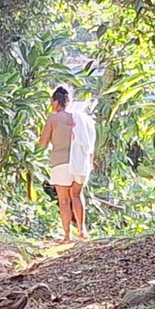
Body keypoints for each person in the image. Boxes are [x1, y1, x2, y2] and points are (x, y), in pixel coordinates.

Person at [40, 83, 93, 241]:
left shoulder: (53, 119)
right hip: (79, 161)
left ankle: (66, 235)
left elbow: (43, 143)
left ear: (56, 102)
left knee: (64, 200)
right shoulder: (80, 119)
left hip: (60, 162)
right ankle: (82, 231)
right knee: (77, 195)